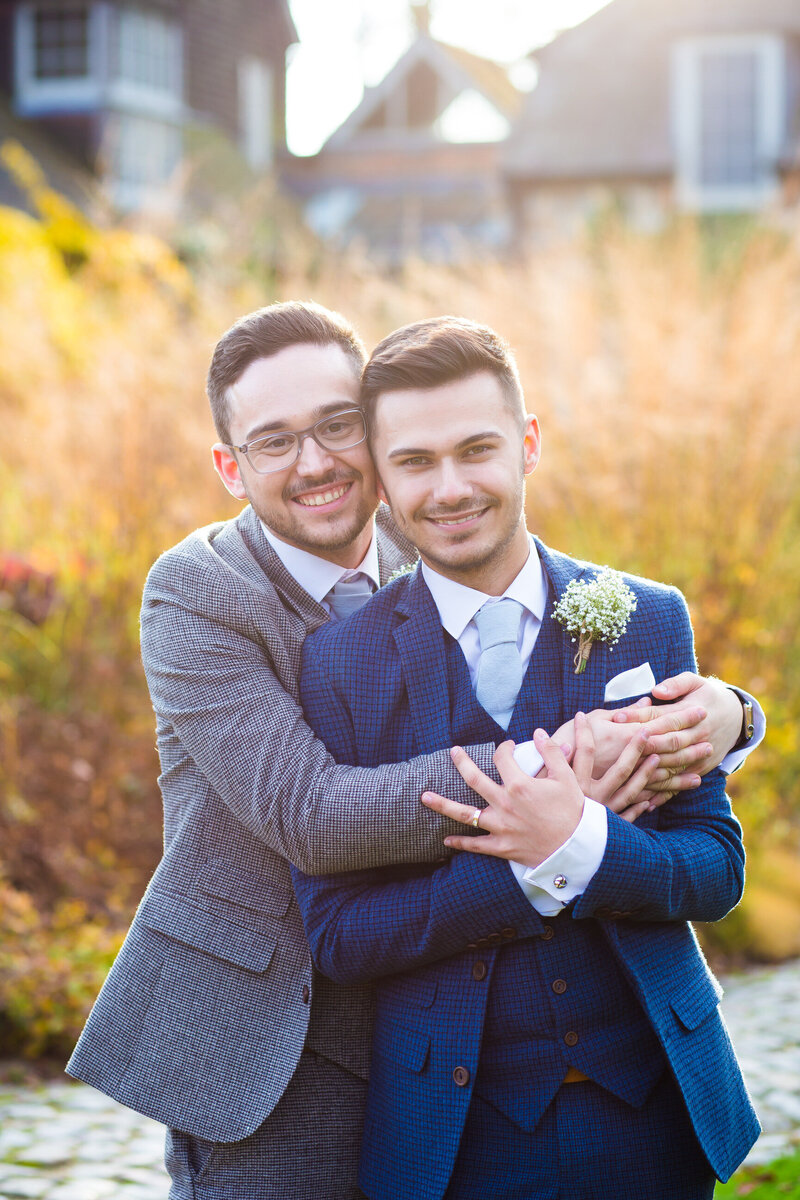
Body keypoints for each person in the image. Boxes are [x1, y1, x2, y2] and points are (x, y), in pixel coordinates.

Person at [291, 316, 761, 1200]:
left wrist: (583, 845)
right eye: (416, 461)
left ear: (529, 443)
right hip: (456, 1136)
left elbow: (716, 869)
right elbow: (340, 937)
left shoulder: (645, 615)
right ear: (382, 482)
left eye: (477, 449)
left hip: (652, 1115)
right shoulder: (340, 663)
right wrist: (524, 871)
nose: (451, 487)